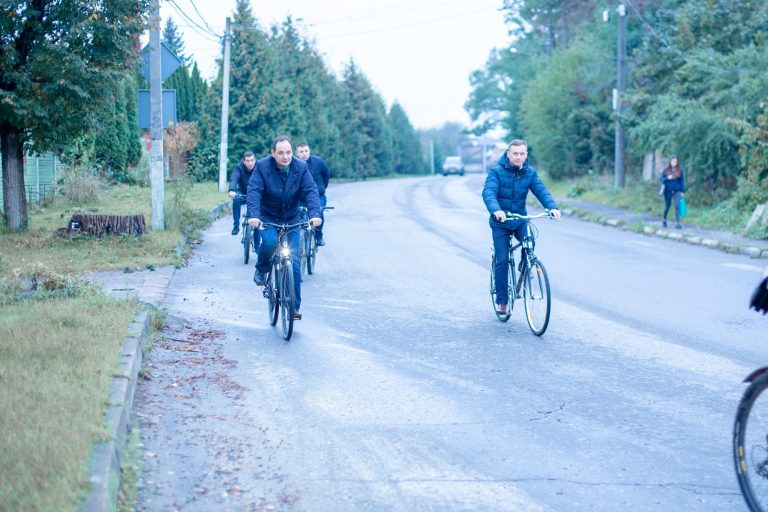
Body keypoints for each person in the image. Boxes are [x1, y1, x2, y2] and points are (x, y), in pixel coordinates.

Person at [482, 139, 562, 317]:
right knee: (502, 259)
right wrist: (496, 210)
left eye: (522, 154)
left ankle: (525, 266)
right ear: (508, 154)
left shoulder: (529, 173)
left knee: (530, 242)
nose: (518, 157)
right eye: (515, 153)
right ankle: (502, 301)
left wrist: (552, 207)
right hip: (500, 222)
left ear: (526, 155)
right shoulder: (496, 171)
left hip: (519, 219)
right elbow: (489, 192)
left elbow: (541, 191)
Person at [247, 135, 322, 320]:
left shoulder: (301, 168)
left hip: (292, 219)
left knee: (295, 262)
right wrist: (254, 216)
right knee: (270, 242)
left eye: (288, 152)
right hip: (268, 217)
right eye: (280, 153)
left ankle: (294, 307)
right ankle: (262, 268)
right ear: (273, 153)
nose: (285, 156)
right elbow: (254, 190)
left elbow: (311, 191)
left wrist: (315, 214)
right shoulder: (263, 167)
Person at [295, 142, 331, 245]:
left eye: (306, 151)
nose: (304, 153)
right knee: (298, 217)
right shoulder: (293, 164)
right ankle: (299, 240)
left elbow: (326, 175)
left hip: (318, 196)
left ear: (309, 151)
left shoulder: (318, 162)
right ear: (297, 153)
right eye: (301, 151)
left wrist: (322, 188)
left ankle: (319, 236)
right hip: (300, 198)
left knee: (318, 213)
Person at [228, 151, 256, 236]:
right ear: (244, 161)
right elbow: (234, 177)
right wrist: (232, 189)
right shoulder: (239, 167)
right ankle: (236, 225)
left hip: (255, 193)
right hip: (243, 191)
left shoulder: (259, 167)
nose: (250, 163)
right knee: (236, 199)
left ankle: (257, 240)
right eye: (248, 161)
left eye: (252, 160)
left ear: (255, 160)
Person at [660, 155, 686, 229]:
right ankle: (664, 219)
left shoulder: (680, 170)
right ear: (670, 162)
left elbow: (682, 181)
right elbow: (661, 179)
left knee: (677, 206)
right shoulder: (665, 170)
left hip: (676, 190)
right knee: (667, 206)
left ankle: (677, 222)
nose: (674, 162)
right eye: (673, 161)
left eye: (675, 161)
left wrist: (682, 191)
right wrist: (667, 178)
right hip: (667, 190)